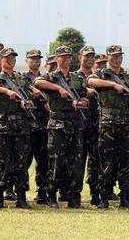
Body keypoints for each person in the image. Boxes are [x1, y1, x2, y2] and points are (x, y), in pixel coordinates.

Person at [34, 46, 91, 208]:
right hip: (57, 124)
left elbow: (85, 95)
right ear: (57, 59)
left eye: (69, 57)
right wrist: (58, 88)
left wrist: (83, 102)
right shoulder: (51, 77)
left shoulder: (76, 78)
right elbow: (38, 82)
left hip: (75, 124)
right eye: (63, 57)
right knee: (56, 161)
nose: (66, 60)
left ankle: (74, 196)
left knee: (76, 162)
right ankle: (51, 194)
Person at [87, 45, 129, 209]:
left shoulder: (128, 77)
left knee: (126, 161)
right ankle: (104, 197)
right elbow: (90, 81)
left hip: (126, 123)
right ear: (108, 56)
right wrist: (113, 85)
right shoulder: (102, 74)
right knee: (105, 160)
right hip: (108, 122)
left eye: (120, 56)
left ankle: (126, 197)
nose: (118, 58)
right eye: (114, 55)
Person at [0, 47, 33, 209]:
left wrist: (27, 102)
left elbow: (30, 94)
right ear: (1, 59)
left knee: (21, 163)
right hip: (2, 126)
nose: (11, 60)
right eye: (7, 57)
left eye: (13, 58)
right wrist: (5, 91)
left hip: (20, 126)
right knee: (1, 162)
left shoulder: (21, 79)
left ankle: (21, 197)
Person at [75, 46, 101, 205]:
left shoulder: (99, 76)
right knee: (78, 160)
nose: (90, 59)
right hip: (77, 124)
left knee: (96, 160)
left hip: (96, 124)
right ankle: (74, 194)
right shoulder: (73, 77)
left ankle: (95, 192)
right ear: (80, 58)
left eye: (92, 56)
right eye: (87, 56)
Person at [23, 49, 50, 205]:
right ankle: (18, 190)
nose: (35, 61)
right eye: (32, 59)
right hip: (27, 125)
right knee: (24, 161)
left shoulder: (45, 78)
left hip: (44, 124)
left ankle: (42, 192)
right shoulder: (21, 78)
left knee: (43, 161)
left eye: (38, 59)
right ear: (27, 61)